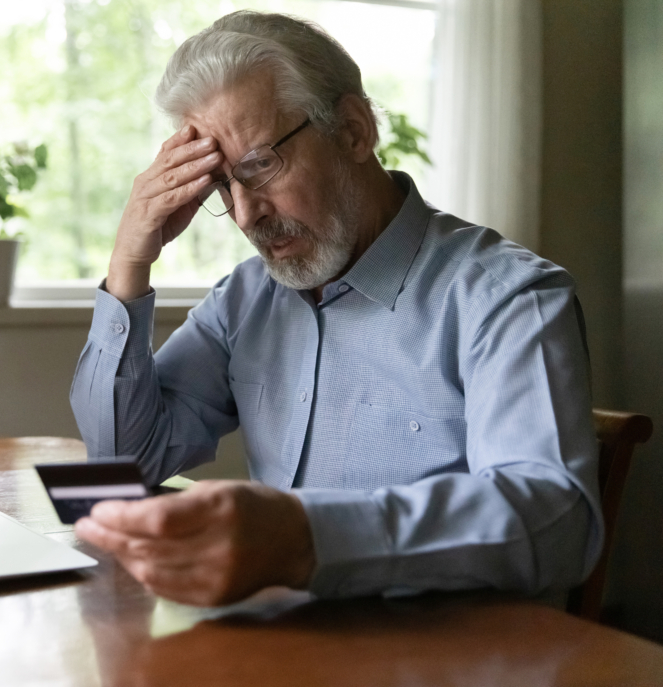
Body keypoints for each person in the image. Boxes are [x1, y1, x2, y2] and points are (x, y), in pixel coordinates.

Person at [69, 11, 603, 607]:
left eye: (259, 166)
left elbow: (556, 523)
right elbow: (125, 464)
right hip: (279, 645)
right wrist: (128, 267)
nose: (245, 215)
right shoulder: (245, 300)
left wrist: (304, 538)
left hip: (447, 655)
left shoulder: (506, 296)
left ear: (353, 131)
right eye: (222, 185)